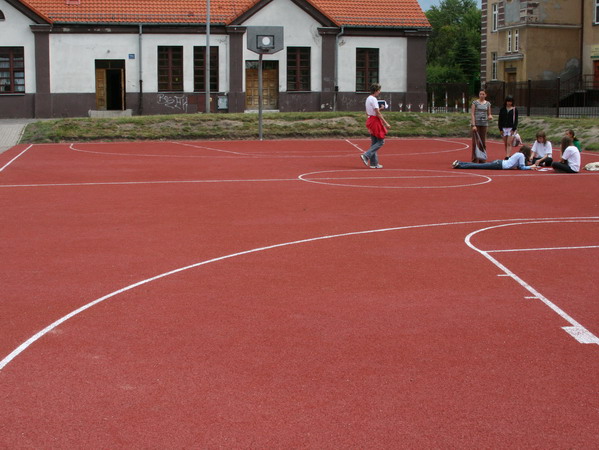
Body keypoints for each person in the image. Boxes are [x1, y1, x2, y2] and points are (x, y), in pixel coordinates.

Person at [360, 83, 390, 169]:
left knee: (374, 142)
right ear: (376, 91)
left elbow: (369, 112)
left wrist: (380, 109)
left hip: (370, 120)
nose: (379, 92)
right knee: (381, 141)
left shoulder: (368, 99)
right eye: (379, 90)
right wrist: (386, 123)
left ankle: (374, 163)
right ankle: (366, 155)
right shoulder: (373, 99)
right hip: (375, 121)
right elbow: (377, 113)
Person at [453, 145, 538, 170]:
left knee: (479, 165)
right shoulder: (521, 155)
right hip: (499, 165)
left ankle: (460, 162)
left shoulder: (518, 154)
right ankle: (460, 165)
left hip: (499, 163)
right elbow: (522, 167)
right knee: (479, 166)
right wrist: (531, 167)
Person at [470, 89, 493, 163]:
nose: (481, 95)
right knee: (475, 142)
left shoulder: (488, 104)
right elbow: (472, 114)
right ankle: (474, 159)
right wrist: (473, 125)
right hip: (476, 124)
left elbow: (489, 113)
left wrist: (490, 116)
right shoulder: (475, 103)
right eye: (480, 94)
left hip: (484, 124)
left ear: (485, 95)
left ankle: (482, 158)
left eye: (483, 94)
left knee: (483, 142)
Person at [498, 95, 518, 159]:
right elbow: (500, 119)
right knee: (506, 143)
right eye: (508, 101)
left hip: (511, 128)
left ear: (512, 102)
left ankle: (507, 156)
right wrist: (500, 129)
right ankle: (507, 154)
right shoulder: (502, 109)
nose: (509, 103)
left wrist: (514, 128)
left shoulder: (515, 110)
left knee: (509, 143)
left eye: (510, 101)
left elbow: (516, 120)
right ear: (506, 102)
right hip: (503, 128)